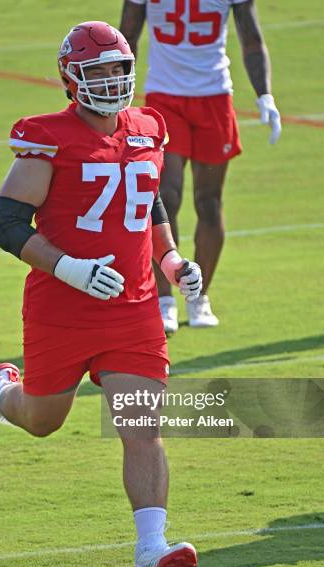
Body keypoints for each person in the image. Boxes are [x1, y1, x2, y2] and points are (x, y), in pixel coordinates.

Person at [0, 21, 203, 567]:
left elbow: (151, 205)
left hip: (133, 306)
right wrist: (69, 267)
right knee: (44, 421)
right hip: (61, 307)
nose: (112, 81)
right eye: (98, 72)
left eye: (119, 69)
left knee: (141, 424)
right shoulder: (48, 137)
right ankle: (2, 392)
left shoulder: (148, 127)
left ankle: (150, 551)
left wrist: (170, 263)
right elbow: (7, 222)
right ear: (72, 79)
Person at [120, 0, 281, 332]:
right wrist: (121, 95)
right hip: (164, 96)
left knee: (209, 202)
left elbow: (251, 39)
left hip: (214, 96)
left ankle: (198, 296)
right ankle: (164, 298)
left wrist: (264, 94)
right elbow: (127, 37)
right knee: (166, 196)